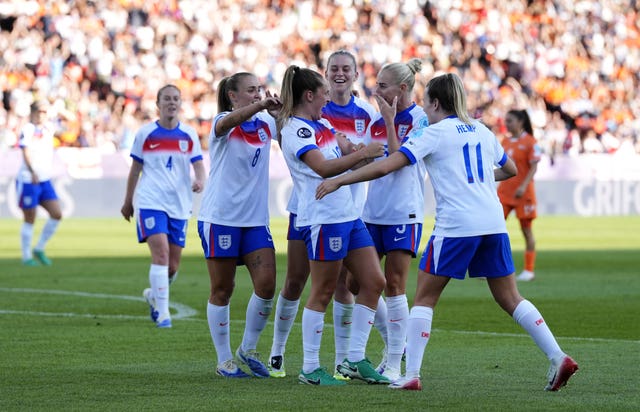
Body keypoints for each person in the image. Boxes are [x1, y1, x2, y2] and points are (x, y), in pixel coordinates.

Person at [316, 72, 579, 392]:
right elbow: (509, 170)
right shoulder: (482, 131)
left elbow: (388, 165)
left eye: (427, 103)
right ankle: (557, 355)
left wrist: (339, 180)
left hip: (457, 226)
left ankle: (411, 373)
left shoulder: (435, 133)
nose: (424, 109)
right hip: (493, 223)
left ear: (437, 103)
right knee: (511, 297)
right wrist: (477, 178)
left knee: (424, 298)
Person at [267, 50, 378, 380]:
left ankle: (353, 359)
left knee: (374, 281)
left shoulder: (323, 123)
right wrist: (364, 154)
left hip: (348, 214)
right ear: (310, 95)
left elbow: (350, 157)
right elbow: (323, 167)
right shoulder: (296, 131)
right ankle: (310, 367)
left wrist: (363, 152)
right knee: (323, 290)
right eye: (324, 93)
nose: (329, 97)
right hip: (324, 218)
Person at [197, 72, 282, 378]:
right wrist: (260, 108)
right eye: (250, 91)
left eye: (259, 89)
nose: (257, 95)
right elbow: (227, 123)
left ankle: (247, 348)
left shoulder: (265, 123)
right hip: (221, 219)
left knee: (267, 285)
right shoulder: (222, 122)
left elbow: (287, 141)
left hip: (255, 220)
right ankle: (224, 360)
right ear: (233, 96)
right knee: (223, 289)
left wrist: (278, 115)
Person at [361, 58, 429, 380]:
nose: (377, 89)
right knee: (358, 281)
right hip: (372, 211)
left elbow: (399, 160)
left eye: (383, 85)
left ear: (403, 88)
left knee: (394, 285)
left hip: (403, 211)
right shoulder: (376, 118)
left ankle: (391, 365)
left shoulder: (421, 120)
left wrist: (389, 122)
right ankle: (393, 347)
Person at [121, 84, 206, 329]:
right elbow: (135, 170)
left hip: (179, 204)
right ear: (158, 104)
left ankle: (153, 296)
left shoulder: (189, 134)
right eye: (167, 99)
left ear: (181, 104)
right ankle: (164, 313)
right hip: (151, 202)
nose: (171, 102)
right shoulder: (145, 134)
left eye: (176, 99)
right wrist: (128, 201)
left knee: (172, 266)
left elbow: (198, 165)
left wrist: (200, 180)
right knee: (161, 255)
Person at [16, 101, 62, 266]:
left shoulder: (49, 127)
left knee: (56, 214)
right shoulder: (28, 128)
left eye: (45, 111)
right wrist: (31, 170)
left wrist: (59, 108)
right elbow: (25, 150)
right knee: (30, 218)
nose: (43, 114)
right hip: (29, 178)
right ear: (34, 111)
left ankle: (39, 248)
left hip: (44, 178)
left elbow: (68, 122)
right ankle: (26, 255)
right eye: (40, 111)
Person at [497, 109, 541, 282]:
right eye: (506, 120)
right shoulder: (505, 141)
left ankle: (529, 270)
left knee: (526, 231)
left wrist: (524, 185)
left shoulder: (531, 142)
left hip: (523, 193)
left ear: (521, 122)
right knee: (493, 229)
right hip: (504, 192)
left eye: (510, 120)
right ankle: (491, 268)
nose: (507, 124)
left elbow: (534, 167)